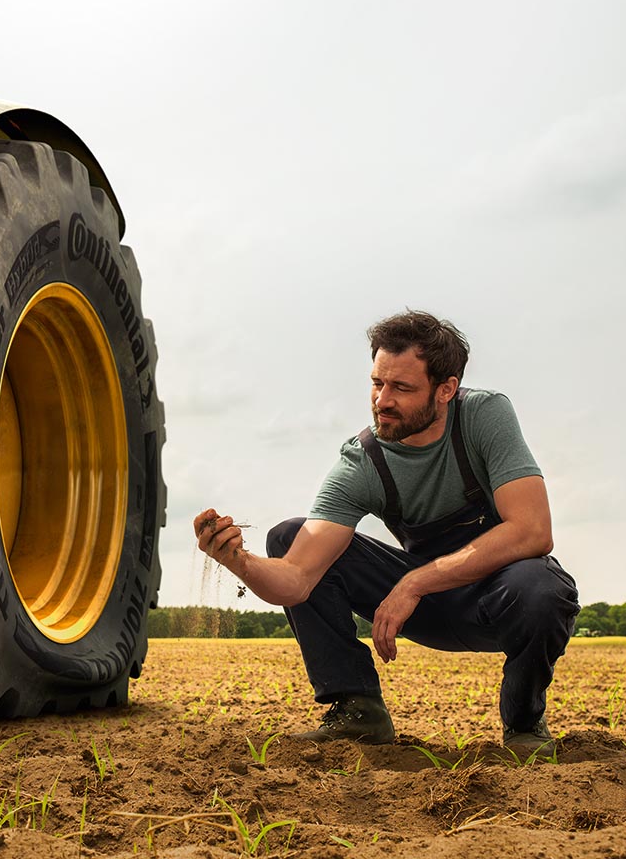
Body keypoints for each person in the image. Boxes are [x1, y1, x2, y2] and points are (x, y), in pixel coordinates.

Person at [194, 310, 580, 755]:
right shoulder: (363, 462)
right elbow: (296, 579)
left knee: (540, 585)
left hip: (499, 602)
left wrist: (415, 582)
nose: (382, 400)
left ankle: (525, 725)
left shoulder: (483, 416)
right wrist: (237, 561)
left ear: (446, 390)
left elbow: (533, 531)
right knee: (287, 537)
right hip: (428, 610)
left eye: (401, 388)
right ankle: (359, 710)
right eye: (377, 383)